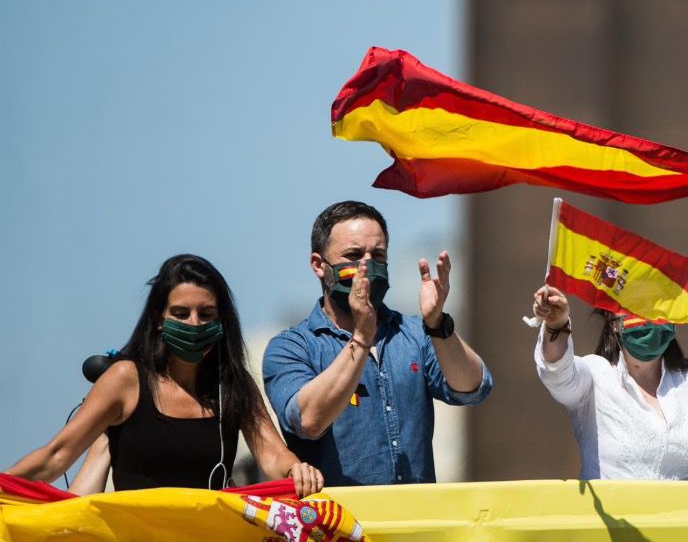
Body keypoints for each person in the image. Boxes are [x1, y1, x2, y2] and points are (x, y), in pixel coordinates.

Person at [5, 254, 324, 497]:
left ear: (222, 320)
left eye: (207, 314)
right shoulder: (125, 380)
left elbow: (272, 455)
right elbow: (57, 455)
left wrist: (298, 471)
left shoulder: (233, 385)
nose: (194, 324)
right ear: (159, 318)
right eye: (181, 314)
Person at [262, 201, 492, 486]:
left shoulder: (414, 334)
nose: (367, 266)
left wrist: (437, 325)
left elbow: (473, 388)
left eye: (378, 255)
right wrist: (361, 338)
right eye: (354, 255)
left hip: (413, 521)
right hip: (338, 524)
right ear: (319, 266)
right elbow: (309, 420)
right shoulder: (293, 347)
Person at [530, 285, 688, 481]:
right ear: (612, 321)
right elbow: (557, 372)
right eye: (635, 310)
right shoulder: (594, 375)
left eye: (657, 309)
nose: (647, 321)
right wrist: (556, 325)